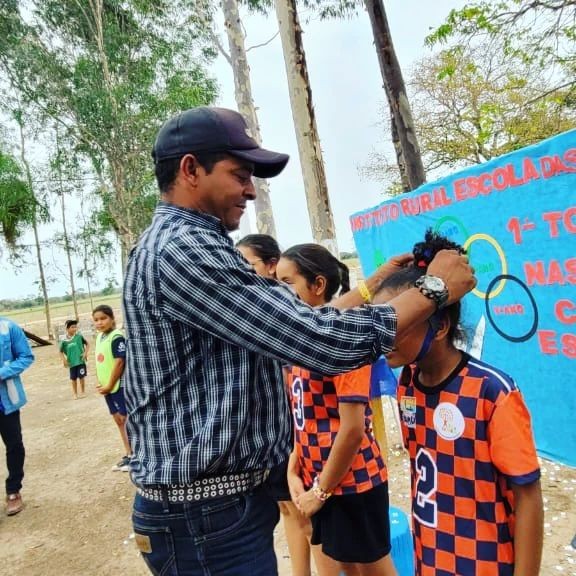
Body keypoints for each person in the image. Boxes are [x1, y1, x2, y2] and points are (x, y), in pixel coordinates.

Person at [122, 105, 476, 576]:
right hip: (205, 519)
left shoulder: (190, 244)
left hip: (215, 514)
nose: (251, 189)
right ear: (190, 169)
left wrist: (373, 286)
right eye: (239, 175)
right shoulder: (183, 250)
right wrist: (432, 291)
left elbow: (296, 322)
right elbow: (318, 340)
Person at [376, 230, 543, 576]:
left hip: (484, 563)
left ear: (440, 327)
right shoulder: (406, 382)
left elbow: (527, 496)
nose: (384, 336)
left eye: (398, 323)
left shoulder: (492, 392)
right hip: (430, 559)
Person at [277, 244, 396, 576]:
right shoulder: (299, 342)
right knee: (345, 566)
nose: (279, 293)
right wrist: (294, 469)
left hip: (353, 484)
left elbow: (353, 429)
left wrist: (320, 491)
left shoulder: (344, 338)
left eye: (287, 283)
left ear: (318, 285)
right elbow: (304, 417)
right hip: (320, 480)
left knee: (372, 569)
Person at [238, 233, 314, 576]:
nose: (240, 271)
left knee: (300, 509)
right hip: (269, 431)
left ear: (271, 265)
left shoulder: (284, 311)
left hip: (293, 427)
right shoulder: (249, 308)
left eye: (247, 264)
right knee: (285, 507)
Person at [0, 317, 34, 516]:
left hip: (6, 400)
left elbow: (26, 356)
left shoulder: (8, 327)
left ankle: (13, 490)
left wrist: (2, 372)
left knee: (14, 445)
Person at [92, 305, 131, 472]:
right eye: (96, 320)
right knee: (118, 420)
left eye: (103, 318)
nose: (99, 323)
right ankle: (129, 453)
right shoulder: (100, 337)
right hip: (108, 388)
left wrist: (109, 384)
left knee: (126, 420)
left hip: (118, 386)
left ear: (112, 318)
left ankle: (135, 456)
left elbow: (119, 362)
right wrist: (102, 383)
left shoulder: (116, 337)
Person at [59, 319, 89, 399]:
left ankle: (83, 392)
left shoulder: (79, 336)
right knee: (73, 379)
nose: (74, 329)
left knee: (81, 377)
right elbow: (60, 351)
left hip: (80, 361)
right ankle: (75, 394)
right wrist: (64, 360)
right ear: (67, 329)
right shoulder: (64, 340)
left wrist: (85, 353)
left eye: (75, 327)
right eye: (72, 327)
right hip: (71, 363)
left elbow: (87, 344)